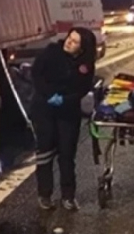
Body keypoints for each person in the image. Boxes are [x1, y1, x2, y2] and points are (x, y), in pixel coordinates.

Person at [30, 27, 97, 211]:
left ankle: (68, 195)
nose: (69, 42)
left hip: (68, 112)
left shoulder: (86, 64)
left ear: (82, 48)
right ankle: (44, 194)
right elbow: (36, 74)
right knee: (45, 153)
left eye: (75, 42)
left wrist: (65, 100)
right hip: (44, 109)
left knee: (66, 155)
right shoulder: (51, 53)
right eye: (69, 38)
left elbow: (83, 88)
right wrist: (49, 95)